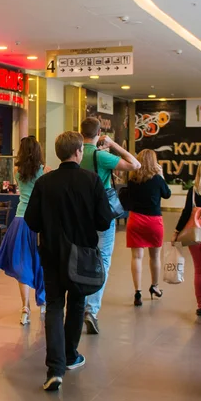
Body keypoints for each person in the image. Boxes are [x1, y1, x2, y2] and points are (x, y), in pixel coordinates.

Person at [25, 131, 113, 392]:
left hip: (51, 254)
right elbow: (104, 221)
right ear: (79, 152)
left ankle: (55, 367)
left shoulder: (44, 183)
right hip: (82, 255)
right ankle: (71, 355)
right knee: (76, 302)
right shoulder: (92, 181)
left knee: (53, 305)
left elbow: (31, 220)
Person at [80, 117, 141, 334]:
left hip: (81, 215)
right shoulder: (102, 156)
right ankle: (91, 309)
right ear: (98, 133)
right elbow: (135, 164)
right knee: (103, 259)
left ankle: (79, 305)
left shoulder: (76, 155)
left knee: (82, 256)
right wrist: (113, 145)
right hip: (103, 214)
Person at [0, 137, 49, 325]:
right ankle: (43, 302)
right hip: (38, 222)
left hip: (19, 220)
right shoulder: (44, 171)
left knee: (22, 263)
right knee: (41, 262)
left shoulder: (17, 171)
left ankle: (25, 307)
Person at [173, 161, 201, 323]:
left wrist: (176, 232)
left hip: (195, 237)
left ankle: (200, 305)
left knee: (199, 271)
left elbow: (186, 214)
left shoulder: (193, 191)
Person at [125, 149, 171, 306]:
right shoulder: (157, 179)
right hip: (154, 221)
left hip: (135, 220)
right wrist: (162, 175)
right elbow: (167, 194)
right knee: (155, 257)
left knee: (136, 257)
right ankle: (154, 287)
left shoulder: (132, 179)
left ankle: (137, 292)